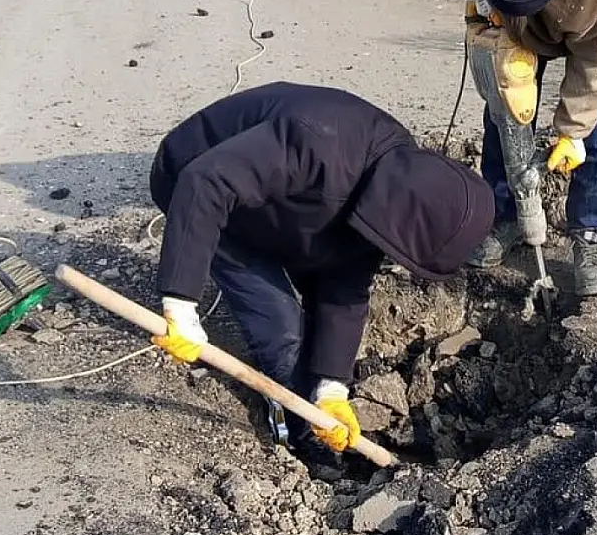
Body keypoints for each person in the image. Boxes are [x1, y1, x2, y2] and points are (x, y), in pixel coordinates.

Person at [147, 82, 494, 454]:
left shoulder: (395, 182)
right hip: (195, 177)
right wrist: (181, 301)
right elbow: (206, 181)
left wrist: (331, 388)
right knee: (282, 330)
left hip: (278, 203)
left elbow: (345, 283)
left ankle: (313, 404)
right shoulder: (319, 145)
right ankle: (299, 436)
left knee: (321, 294)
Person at [404, 0, 597, 296]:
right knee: (504, 108)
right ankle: (505, 214)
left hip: (591, 2)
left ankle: (591, 231)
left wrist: (572, 131)